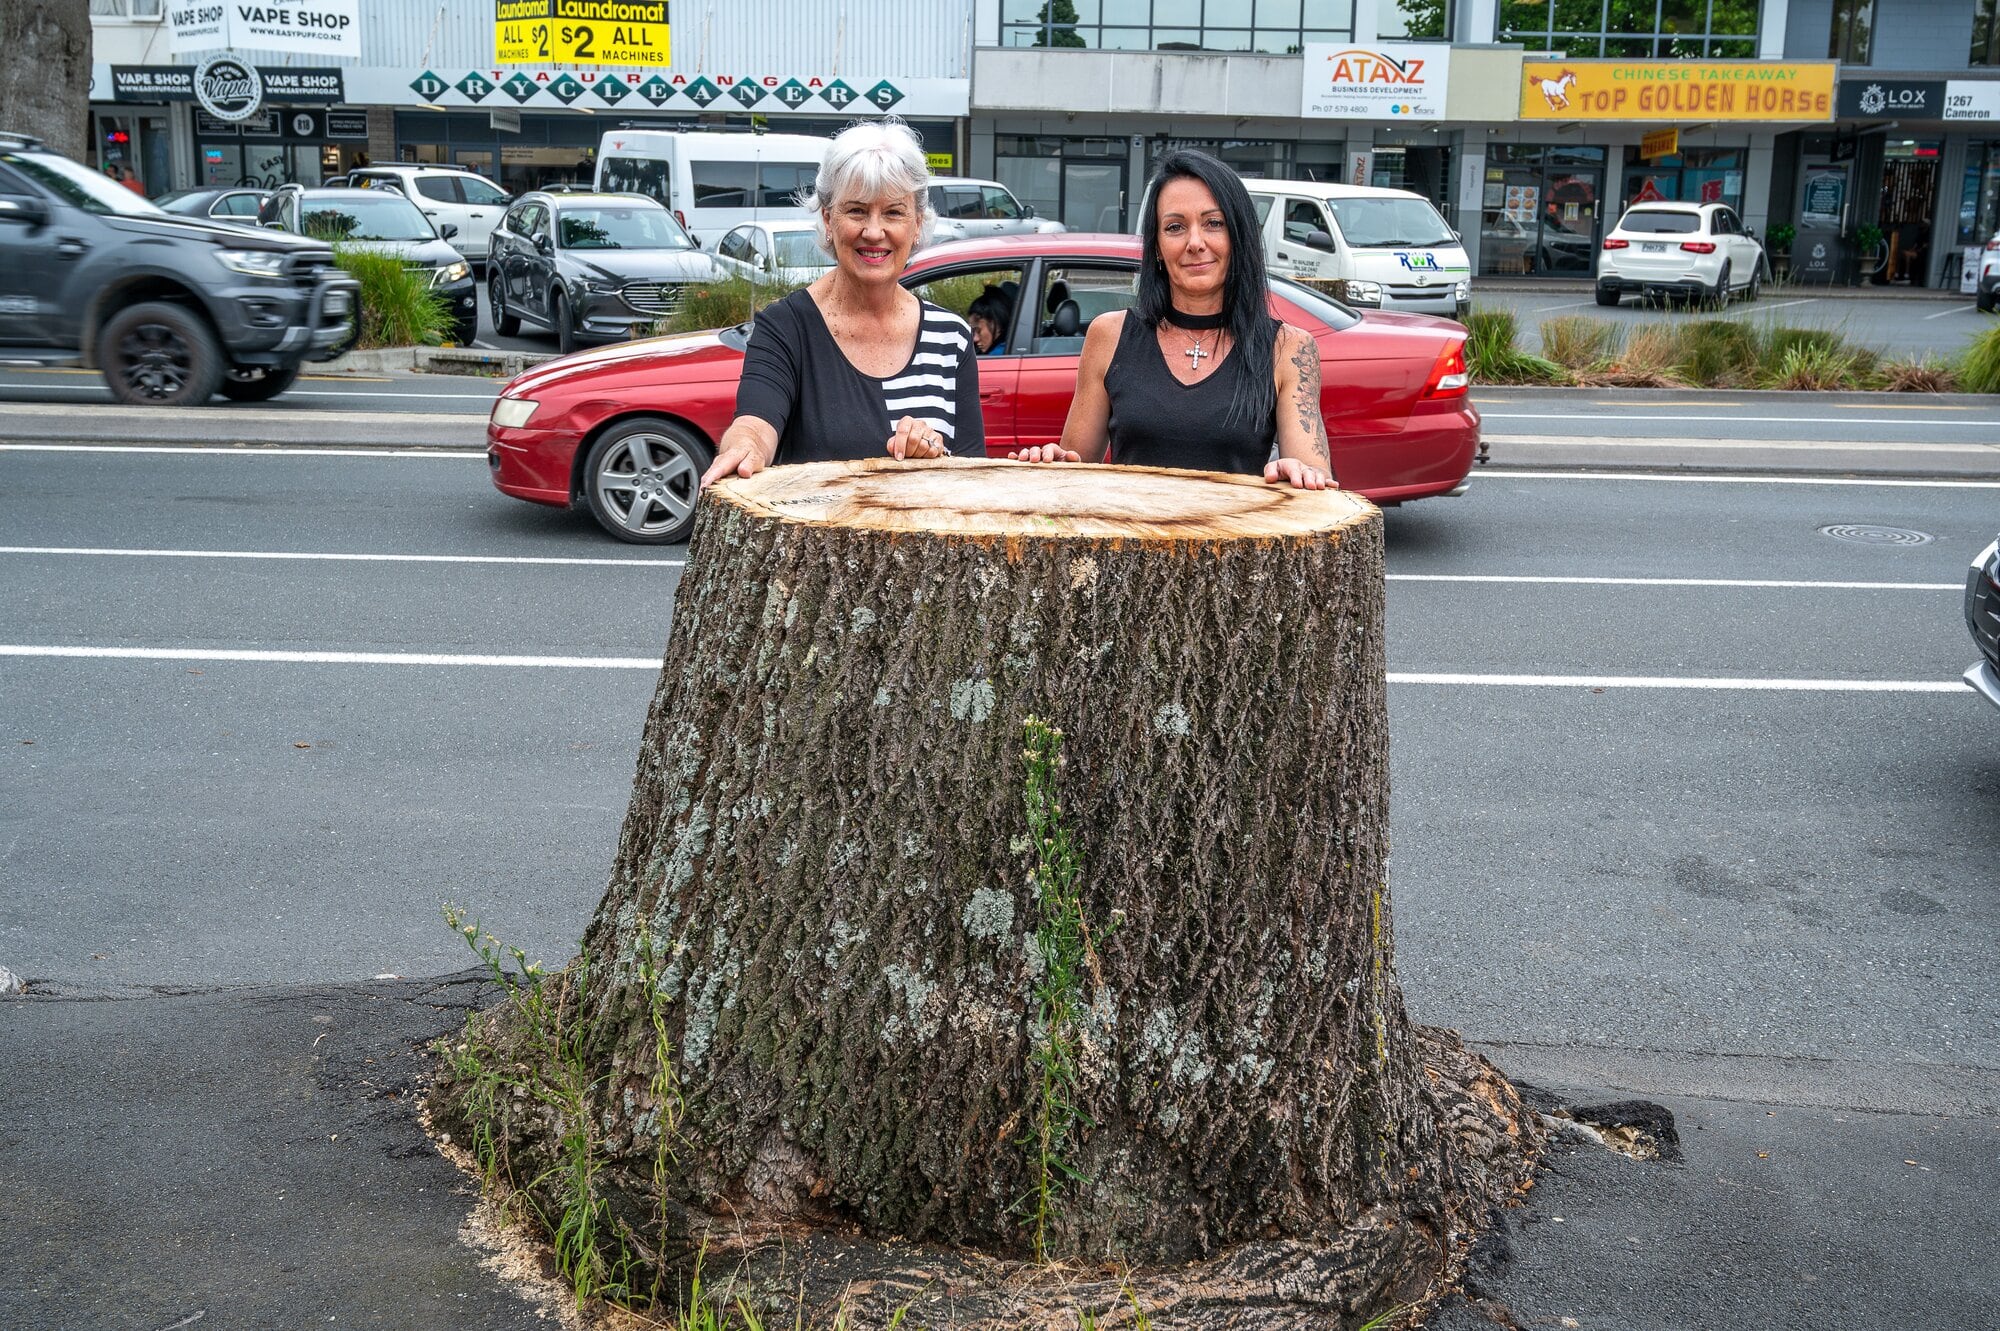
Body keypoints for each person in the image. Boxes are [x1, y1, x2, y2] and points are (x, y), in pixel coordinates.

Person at [1009, 149, 1335, 490]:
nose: (1195, 242)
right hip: (1130, 540)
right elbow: (1076, 468)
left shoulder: (1289, 349)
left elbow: (1314, 479)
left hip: (1238, 541)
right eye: (1175, 227)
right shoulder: (1109, 335)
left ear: (1239, 237)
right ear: (1158, 248)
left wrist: (1298, 472)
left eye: (1214, 223)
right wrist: (1052, 462)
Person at [700, 120, 979, 486]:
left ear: (916, 224)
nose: (874, 232)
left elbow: (974, 472)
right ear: (829, 219)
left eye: (893, 212)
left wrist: (931, 454)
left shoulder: (951, 337)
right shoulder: (786, 328)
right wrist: (744, 448)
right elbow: (755, 423)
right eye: (857, 211)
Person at [967, 283, 1013, 355]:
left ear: (997, 325)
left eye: (978, 331)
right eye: (973, 332)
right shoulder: (1009, 347)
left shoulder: (998, 355)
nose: (975, 339)